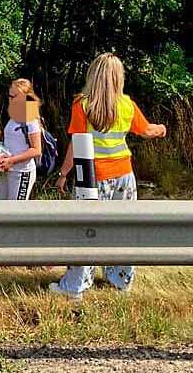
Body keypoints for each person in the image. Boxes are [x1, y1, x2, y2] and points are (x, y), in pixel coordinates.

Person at [49, 54, 166, 300]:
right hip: (124, 176)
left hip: (91, 179)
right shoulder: (127, 105)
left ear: (93, 75)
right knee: (123, 228)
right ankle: (120, 280)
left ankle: (76, 285)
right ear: (118, 77)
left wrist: (63, 174)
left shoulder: (82, 105)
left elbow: (76, 145)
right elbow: (146, 131)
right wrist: (160, 129)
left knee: (85, 230)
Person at [0, 78, 43, 201]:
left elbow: (36, 150)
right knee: (2, 211)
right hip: (8, 171)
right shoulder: (13, 117)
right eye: (10, 96)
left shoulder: (30, 119)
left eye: (15, 96)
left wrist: (12, 160)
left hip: (22, 172)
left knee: (16, 213)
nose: (11, 99)